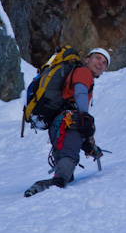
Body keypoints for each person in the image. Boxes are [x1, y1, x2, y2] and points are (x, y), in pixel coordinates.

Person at [24, 48, 110, 197]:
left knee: (66, 172)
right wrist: (85, 117)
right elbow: (80, 92)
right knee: (66, 166)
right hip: (68, 120)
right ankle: (42, 187)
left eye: (104, 63)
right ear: (86, 60)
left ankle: (51, 186)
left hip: (58, 124)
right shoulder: (84, 72)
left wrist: (89, 144)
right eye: (97, 58)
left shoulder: (76, 72)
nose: (100, 64)